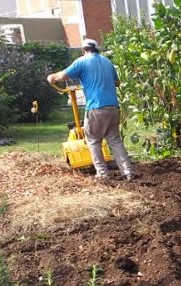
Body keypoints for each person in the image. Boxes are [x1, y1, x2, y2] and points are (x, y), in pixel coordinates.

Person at [47, 38, 134, 180]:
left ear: (84, 50)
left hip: (96, 107)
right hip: (113, 107)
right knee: (115, 140)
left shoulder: (82, 61)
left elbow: (62, 76)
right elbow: (117, 82)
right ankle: (128, 172)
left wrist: (51, 77)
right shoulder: (107, 61)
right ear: (97, 49)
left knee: (93, 139)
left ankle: (102, 174)